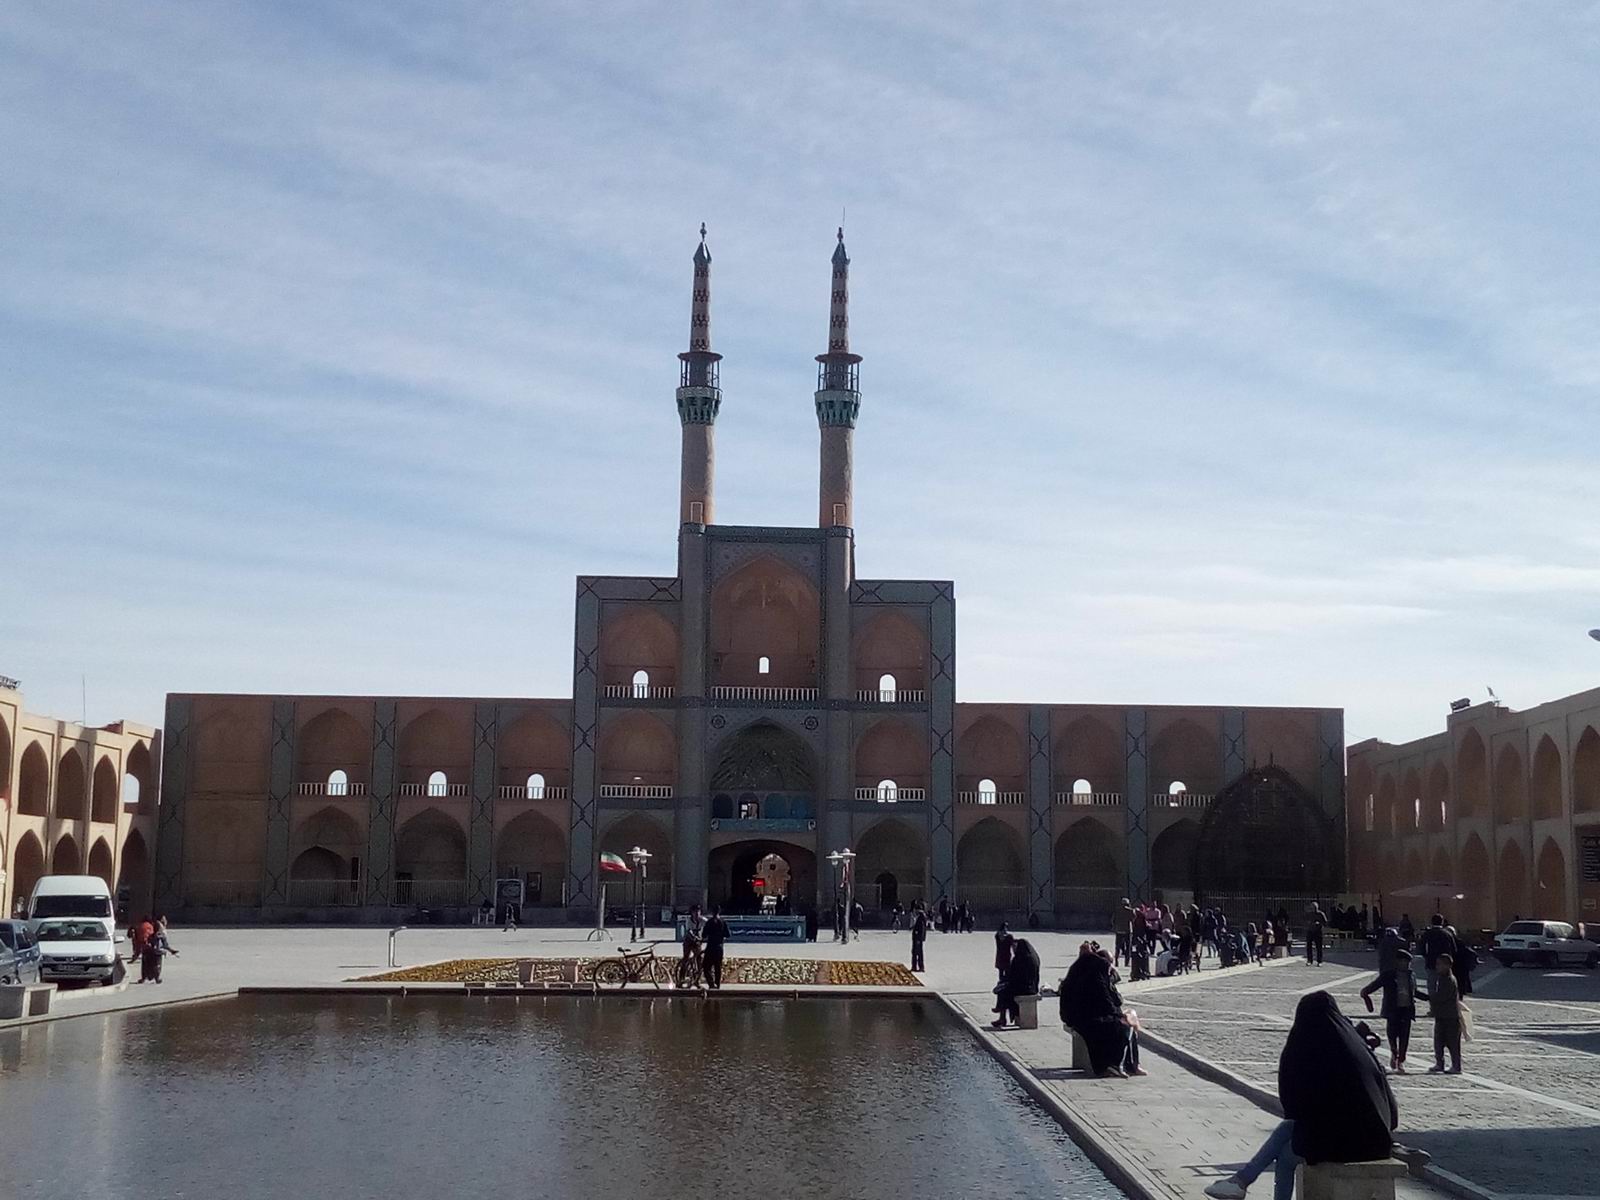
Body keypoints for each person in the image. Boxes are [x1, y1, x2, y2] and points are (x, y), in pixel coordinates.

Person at [1205, 992, 1398, 1200]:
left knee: (1286, 1155)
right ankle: (1241, 1180)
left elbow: (1294, 1105)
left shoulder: (1314, 1049)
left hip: (1353, 1144)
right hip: (1376, 1138)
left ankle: (1242, 1180)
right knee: (1290, 1133)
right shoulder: (1355, 1046)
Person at [1059, 943, 1137, 1078]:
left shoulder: (1080, 972)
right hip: (1082, 1019)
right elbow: (1106, 1001)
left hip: (1075, 1016)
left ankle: (1121, 1065)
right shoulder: (1095, 977)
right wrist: (1120, 1016)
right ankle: (1113, 1065)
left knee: (1120, 1023)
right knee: (1123, 1026)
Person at [1361, 948, 1418, 1073]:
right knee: (1392, 1036)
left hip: (1407, 1010)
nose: (1407, 965)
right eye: (1404, 962)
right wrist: (1366, 996)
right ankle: (1394, 1053)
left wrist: (1430, 998)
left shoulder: (1411, 975)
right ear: (1398, 961)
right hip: (1393, 1010)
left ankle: (1401, 1060)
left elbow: (1415, 992)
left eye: (1408, 962)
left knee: (1404, 1037)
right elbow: (1372, 987)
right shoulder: (1388, 975)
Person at [1418, 953, 1463, 1074]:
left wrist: (1426, 997)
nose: (1437, 967)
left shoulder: (1449, 980)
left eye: (1440, 964)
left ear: (1448, 965)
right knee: (1438, 1041)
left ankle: (1456, 1066)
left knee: (1452, 1043)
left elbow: (1441, 997)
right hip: (1441, 1015)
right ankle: (1439, 1063)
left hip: (1450, 1017)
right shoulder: (1442, 978)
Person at [992, 937, 1040, 1029]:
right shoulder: (1031, 957)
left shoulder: (1021, 959)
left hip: (1025, 988)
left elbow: (1014, 976)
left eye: (1014, 947)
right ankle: (1001, 1014)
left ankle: (1002, 1016)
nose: (1013, 950)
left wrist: (1005, 982)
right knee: (1003, 987)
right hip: (1032, 987)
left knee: (1003, 991)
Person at [1416, 914, 1457, 992]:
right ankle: (1443, 996)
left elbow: (1421, 947)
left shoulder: (1427, 934)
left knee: (1432, 983)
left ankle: (1433, 997)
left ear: (1432, 922)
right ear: (1442, 922)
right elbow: (1454, 949)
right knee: (1445, 982)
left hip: (1431, 961)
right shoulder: (1447, 934)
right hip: (1444, 962)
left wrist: (1426, 956)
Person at [140, 919, 179, 984]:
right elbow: (165, 945)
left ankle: (144, 978)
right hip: (158, 953)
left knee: (147, 965)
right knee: (157, 966)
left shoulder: (151, 935)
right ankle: (156, 978)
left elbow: (147, 943)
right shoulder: (161, 936)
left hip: (150, 952)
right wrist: (171, 950)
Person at [702, 906, 730, 989]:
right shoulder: (723, 922)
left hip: (710, 947)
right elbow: (728, 934)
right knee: (718, 968)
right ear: (719, 912)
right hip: (719, 948)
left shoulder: (709, 922)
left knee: (706, 967)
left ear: (712, 912)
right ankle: (717, 986)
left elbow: (704, 935)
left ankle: (711, 984)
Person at [1447, 927, 1477, 997]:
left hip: (1456, 964)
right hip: (1460, 965)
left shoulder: (1450, 942)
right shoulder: (1459, 941)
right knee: (1460, 982)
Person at [682, 904, 706, 977]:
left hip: (697, 941)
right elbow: (689, 931)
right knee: (686, 958)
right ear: (692, 913)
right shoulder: (689, 920)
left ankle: (698, 976)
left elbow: (709, 926)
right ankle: (681, 977)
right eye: (695, 912)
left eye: (698, 911)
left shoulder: (703, 920)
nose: (697, 913)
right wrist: (695, 937)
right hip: (688, 941)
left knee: (699, 957)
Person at [1114, 898, 1134, 966]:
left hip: (1119, 930)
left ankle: (1116, 960)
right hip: (1127, 930)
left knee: (1118, 947)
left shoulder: (1117, 910)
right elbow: (1133, 919)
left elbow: (1113, 919)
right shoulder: (1130, 910)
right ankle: (1127, 962)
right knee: (1128, 947)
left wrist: (1115, 926)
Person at [910, 900, 928, 973]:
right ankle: (914, 966)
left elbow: (922, 929)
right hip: (917, 937)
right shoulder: (920, 916)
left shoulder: (921, 917)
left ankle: (920, 967)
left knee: (918, 952)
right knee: (915, 952)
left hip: (918, 937)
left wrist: (920, 938)